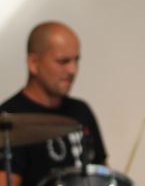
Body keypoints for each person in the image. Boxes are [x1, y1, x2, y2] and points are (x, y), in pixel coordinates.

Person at [0, 22, 107, 186]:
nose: (72, 70)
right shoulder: (8, 119)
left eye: (76, 60)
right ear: (33, 63)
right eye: (63, 61)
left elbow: (102, 174)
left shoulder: (81, 111)